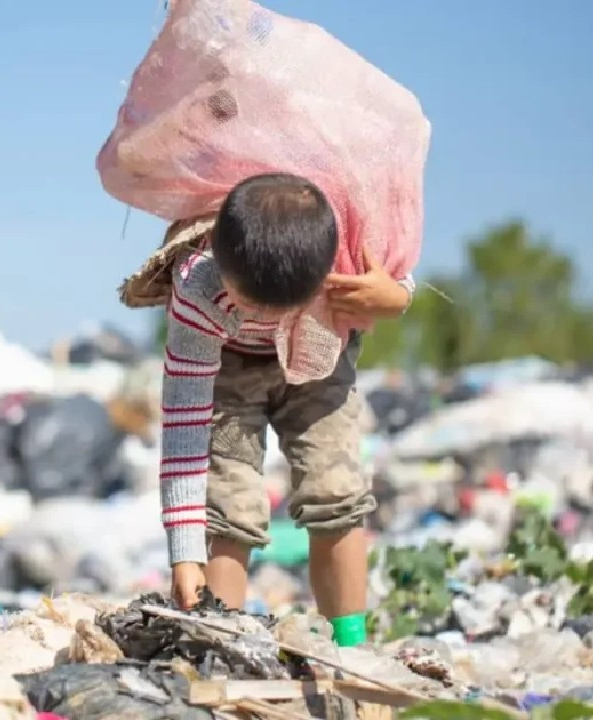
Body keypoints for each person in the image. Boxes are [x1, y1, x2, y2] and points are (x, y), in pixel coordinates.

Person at [155, 172, 415, 648]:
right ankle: (221, 643)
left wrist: (396, 298)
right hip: (228, 370)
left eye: (280, 310)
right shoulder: (197, 288)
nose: (265, 321)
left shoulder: (345, 259)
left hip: (321, 356)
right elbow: (184, 424)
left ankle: (350, 646)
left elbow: (396, 277)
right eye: (249, 306)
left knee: (336, 494)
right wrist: (184, 552)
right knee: (228, 508)